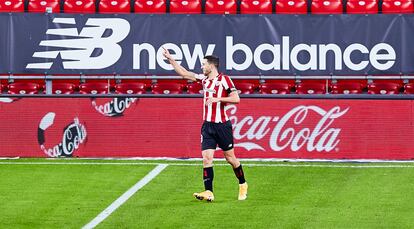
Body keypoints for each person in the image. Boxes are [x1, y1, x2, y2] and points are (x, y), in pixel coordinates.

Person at [163, 47, 248, 202]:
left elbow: (236, 98)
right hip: (207, 126)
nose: (201, 67)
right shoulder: (204, 79)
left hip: (222, 126)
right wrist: (170, 59)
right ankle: (209, 192)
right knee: (207, 159)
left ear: (211, 65)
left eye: (203, 64)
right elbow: (183, 73)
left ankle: (243, 184)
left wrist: (218, 99)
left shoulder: (225, 79)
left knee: (230, 158)